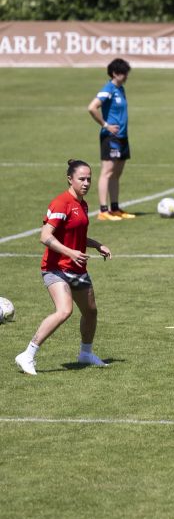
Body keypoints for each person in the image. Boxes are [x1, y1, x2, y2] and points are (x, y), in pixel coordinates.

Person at [14, 160, 111, 376]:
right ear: (70, 179)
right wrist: (70, 252)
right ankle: (27, 355)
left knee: (91, 311)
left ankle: (85, 354)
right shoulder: (61, 203)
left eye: (89, 179)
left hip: (77, 268)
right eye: (81, 179)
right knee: (65, 310)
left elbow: (77, 235)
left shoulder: (82, 203)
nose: (86, 183)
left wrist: (96, 245)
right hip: (55, 268)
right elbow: (45, 236)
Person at [87, 58, 134, 221]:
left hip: (122, 137)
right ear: (115, 73)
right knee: (107, 172)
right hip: (111, 137)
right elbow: (92, 107)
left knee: (116, 174)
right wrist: (106, 125)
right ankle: (103, 210)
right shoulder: (109, 89)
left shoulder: (121, 89)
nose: (127, 76)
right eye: (124, 73)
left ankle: (115, 208)